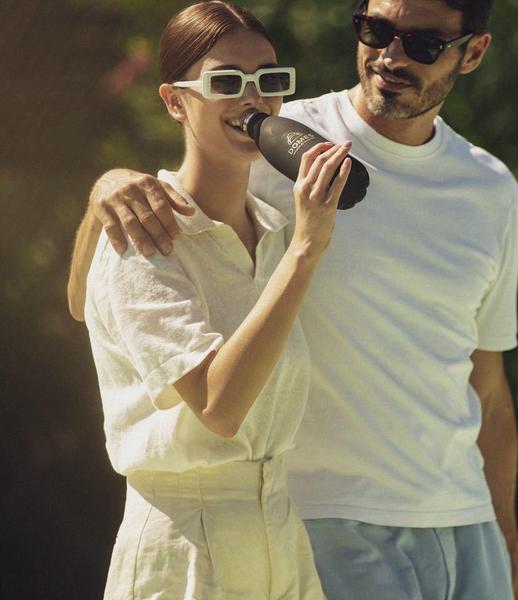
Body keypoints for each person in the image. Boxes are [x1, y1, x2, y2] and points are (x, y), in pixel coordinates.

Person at [69, 0, 518, 598]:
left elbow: (488, 391)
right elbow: (92, 294)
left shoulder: (489, 187)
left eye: (423, 43)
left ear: (473, 52)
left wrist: (507, 545)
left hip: (449, 525)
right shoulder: (278, 142)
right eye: (376, 29)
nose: (389, 55)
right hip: (322, 522)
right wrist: (105, 190)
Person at [79, 2, 352, 598]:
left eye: (269, 80)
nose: (253, 98)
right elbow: (219, 407)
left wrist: (297, 242)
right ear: (175, 102)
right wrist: (307, 250)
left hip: (280, 527)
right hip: (184, 543)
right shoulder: (145, 239)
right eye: (226, 82)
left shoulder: (276, 228)